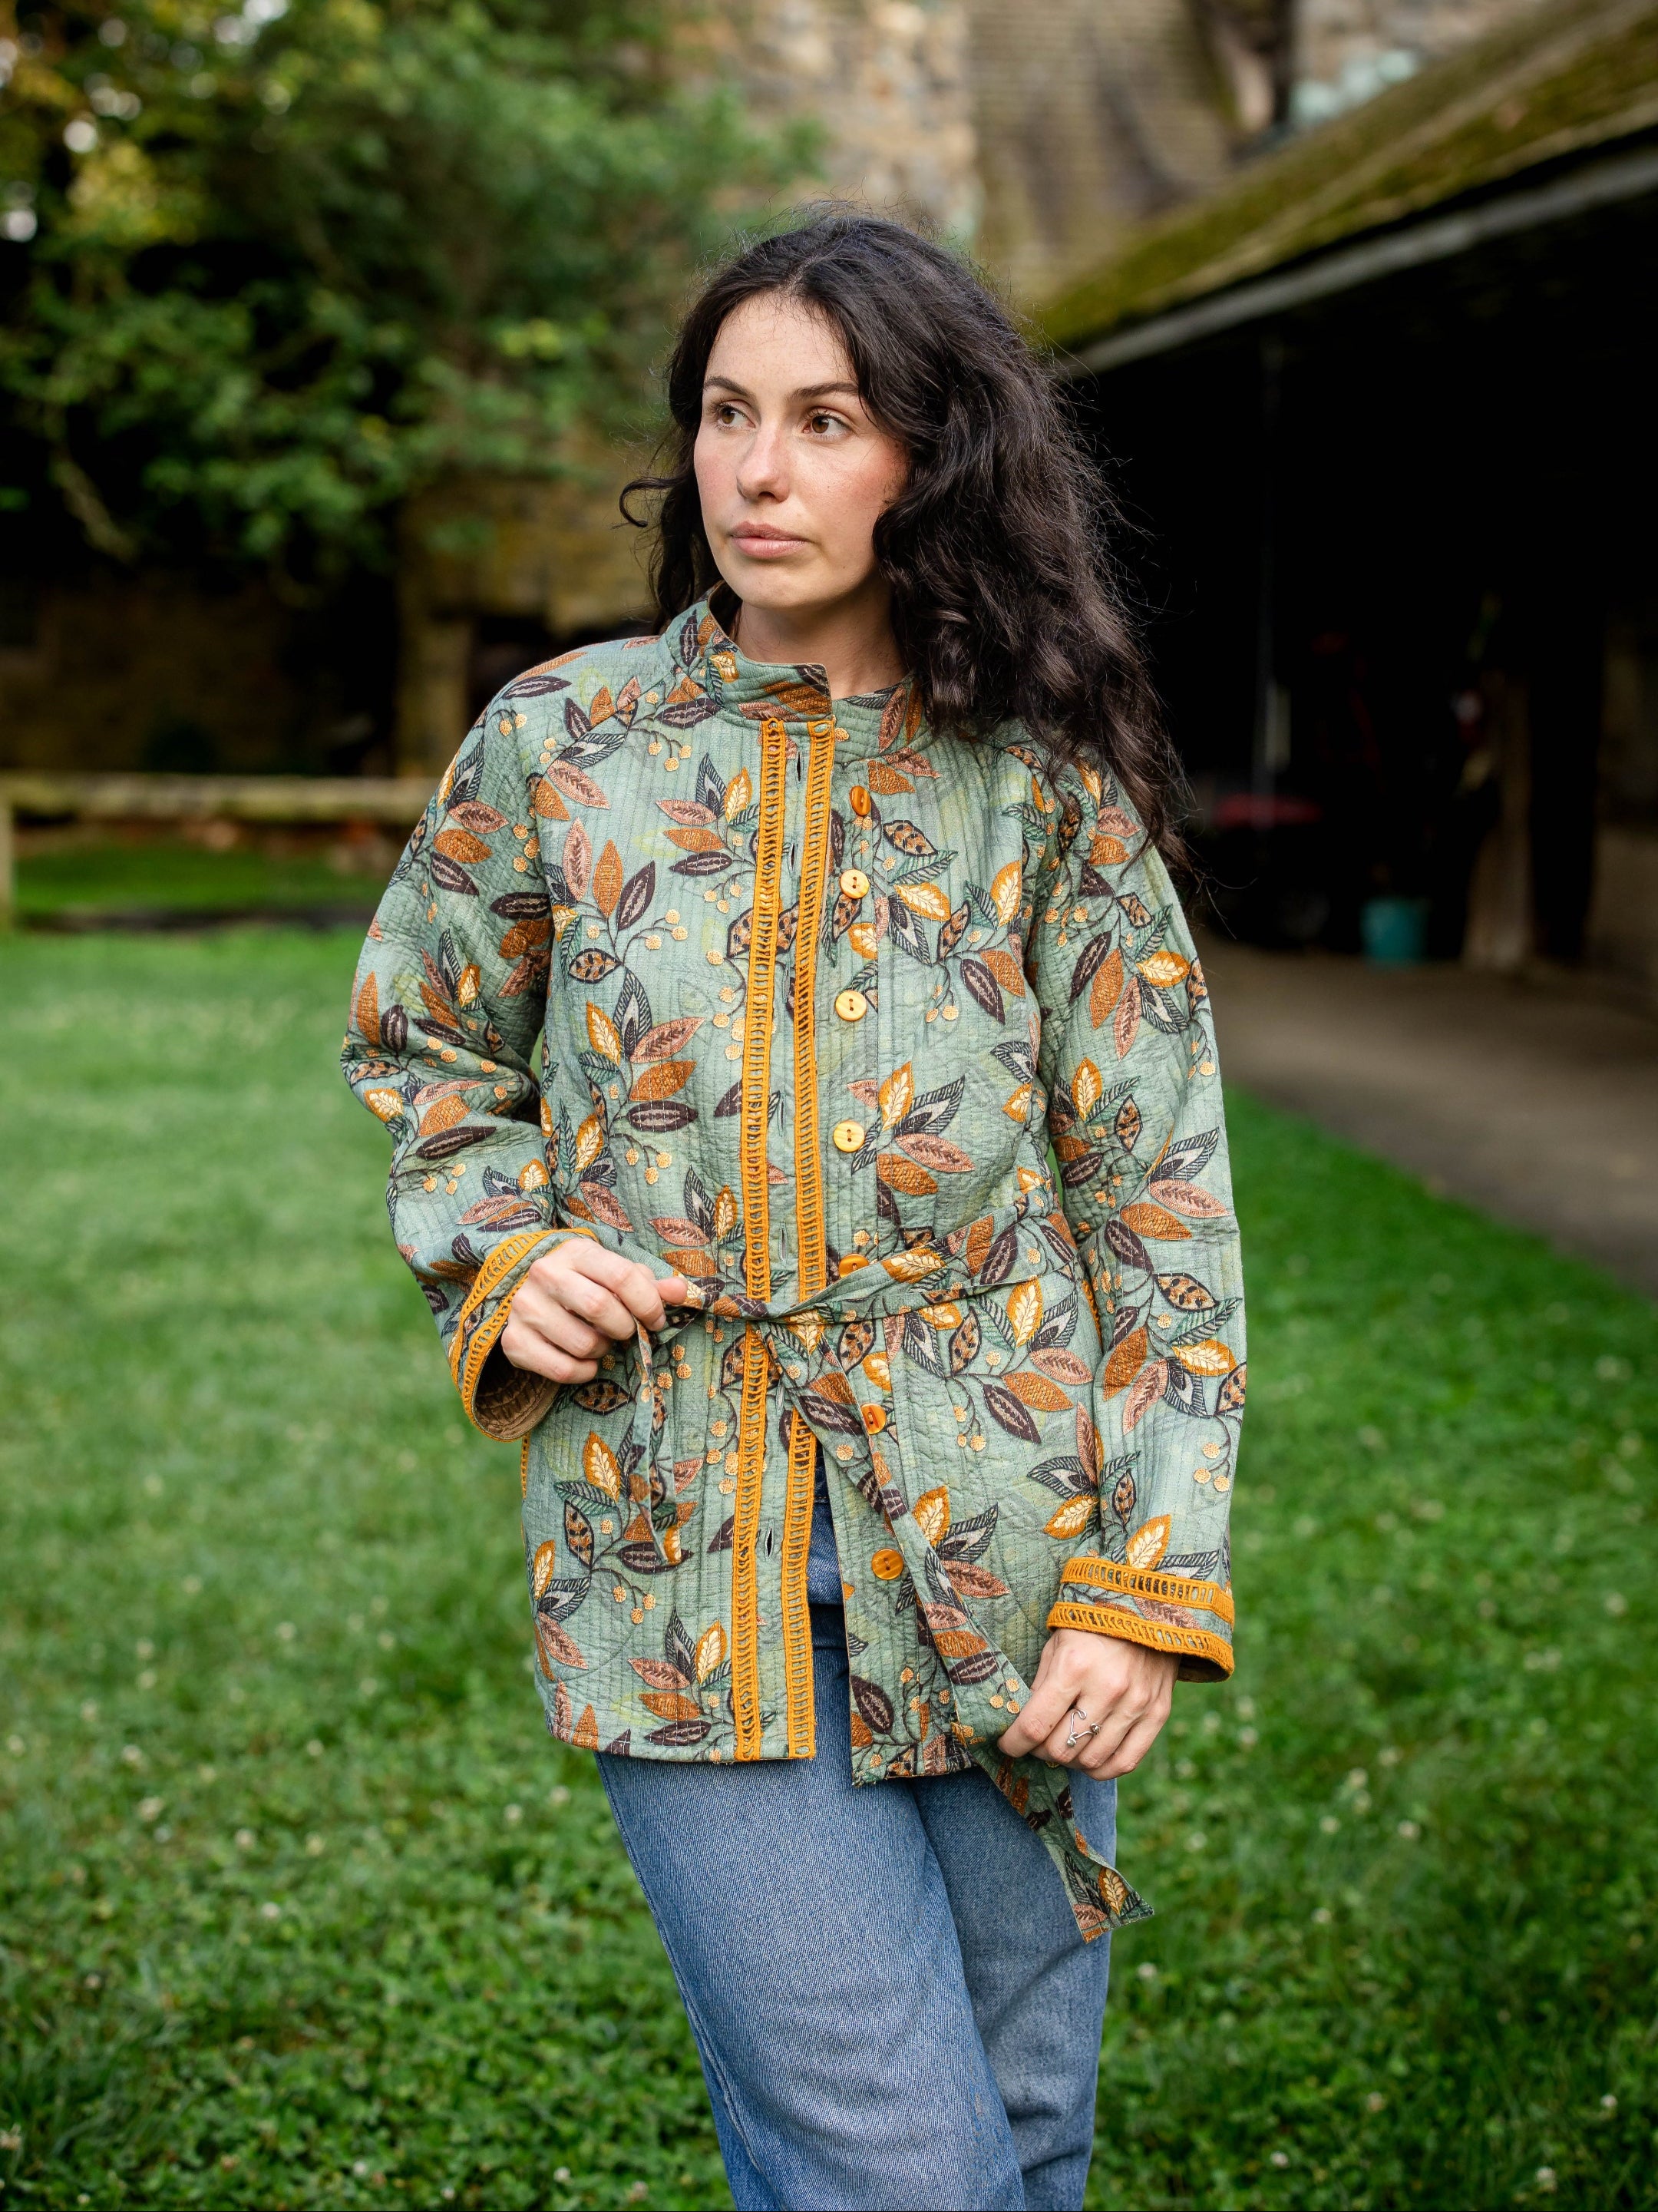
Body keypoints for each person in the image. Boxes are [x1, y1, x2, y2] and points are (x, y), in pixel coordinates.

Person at [343, 211, 1244, 2212]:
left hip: (1010, 1547)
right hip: (679, 1550)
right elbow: (425, 1045)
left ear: (931, 455)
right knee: (896, 2166)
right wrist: (502, 1243)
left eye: (823, 419)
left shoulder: (1043, 790)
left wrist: (1146, 1581)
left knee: (1022, 2137)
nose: (755, 469)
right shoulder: (560, 750)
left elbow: (1161, 1199)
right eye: (726, 414)